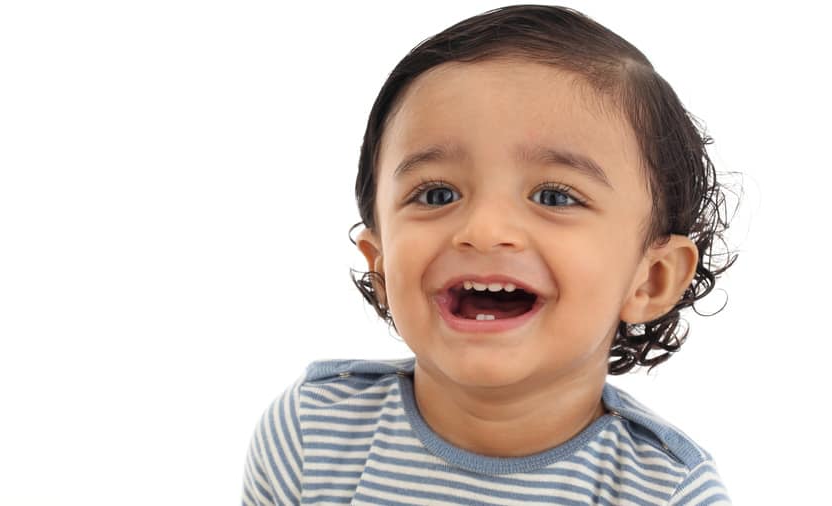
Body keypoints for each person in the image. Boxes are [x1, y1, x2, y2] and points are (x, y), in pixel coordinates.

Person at [242, 4, 737, 505]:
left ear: (650, 279)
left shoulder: (667, 491)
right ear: (381, 263)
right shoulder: (312, 435)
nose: (483, 230)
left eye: (555, 197)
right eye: (436, 194)